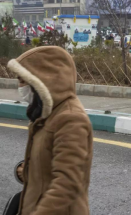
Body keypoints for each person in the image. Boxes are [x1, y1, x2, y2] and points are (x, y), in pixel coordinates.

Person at [8, 46, 93, 215]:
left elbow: (68, 183)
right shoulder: (47, 116)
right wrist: (26, 171)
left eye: (23, 81)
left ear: (43, 80)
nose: (20, 87)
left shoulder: (70, 119)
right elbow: (48, 170)